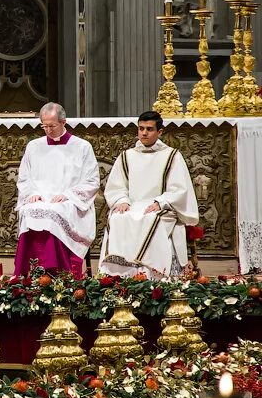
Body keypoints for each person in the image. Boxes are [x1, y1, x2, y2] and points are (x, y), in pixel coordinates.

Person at [99, 111, 198, 278]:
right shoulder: (127, 156)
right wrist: (121, 200)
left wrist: (160, 202)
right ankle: (119, 274)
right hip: (132, 205)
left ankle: (152, 274)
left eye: (149, 129)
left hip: (162, 207)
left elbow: (178, 189)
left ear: (160, 132)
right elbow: (116, 187)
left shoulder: (172, 156)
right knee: (117, 217)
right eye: (141, 128)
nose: (144, 133)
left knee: (151, 219)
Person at [14, 102, 99, 279]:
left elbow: (91, 181)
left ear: (64, 122)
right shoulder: (34, 146)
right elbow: (24, 178)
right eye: (44, 126)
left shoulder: (82, 147)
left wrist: (68, 195)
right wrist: (31, 194)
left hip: (69, 202)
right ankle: (28, 275)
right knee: (30, 211)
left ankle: (59, 272)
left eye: (52, 126)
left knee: (54, 213)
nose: (48, 130)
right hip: (41, 200)